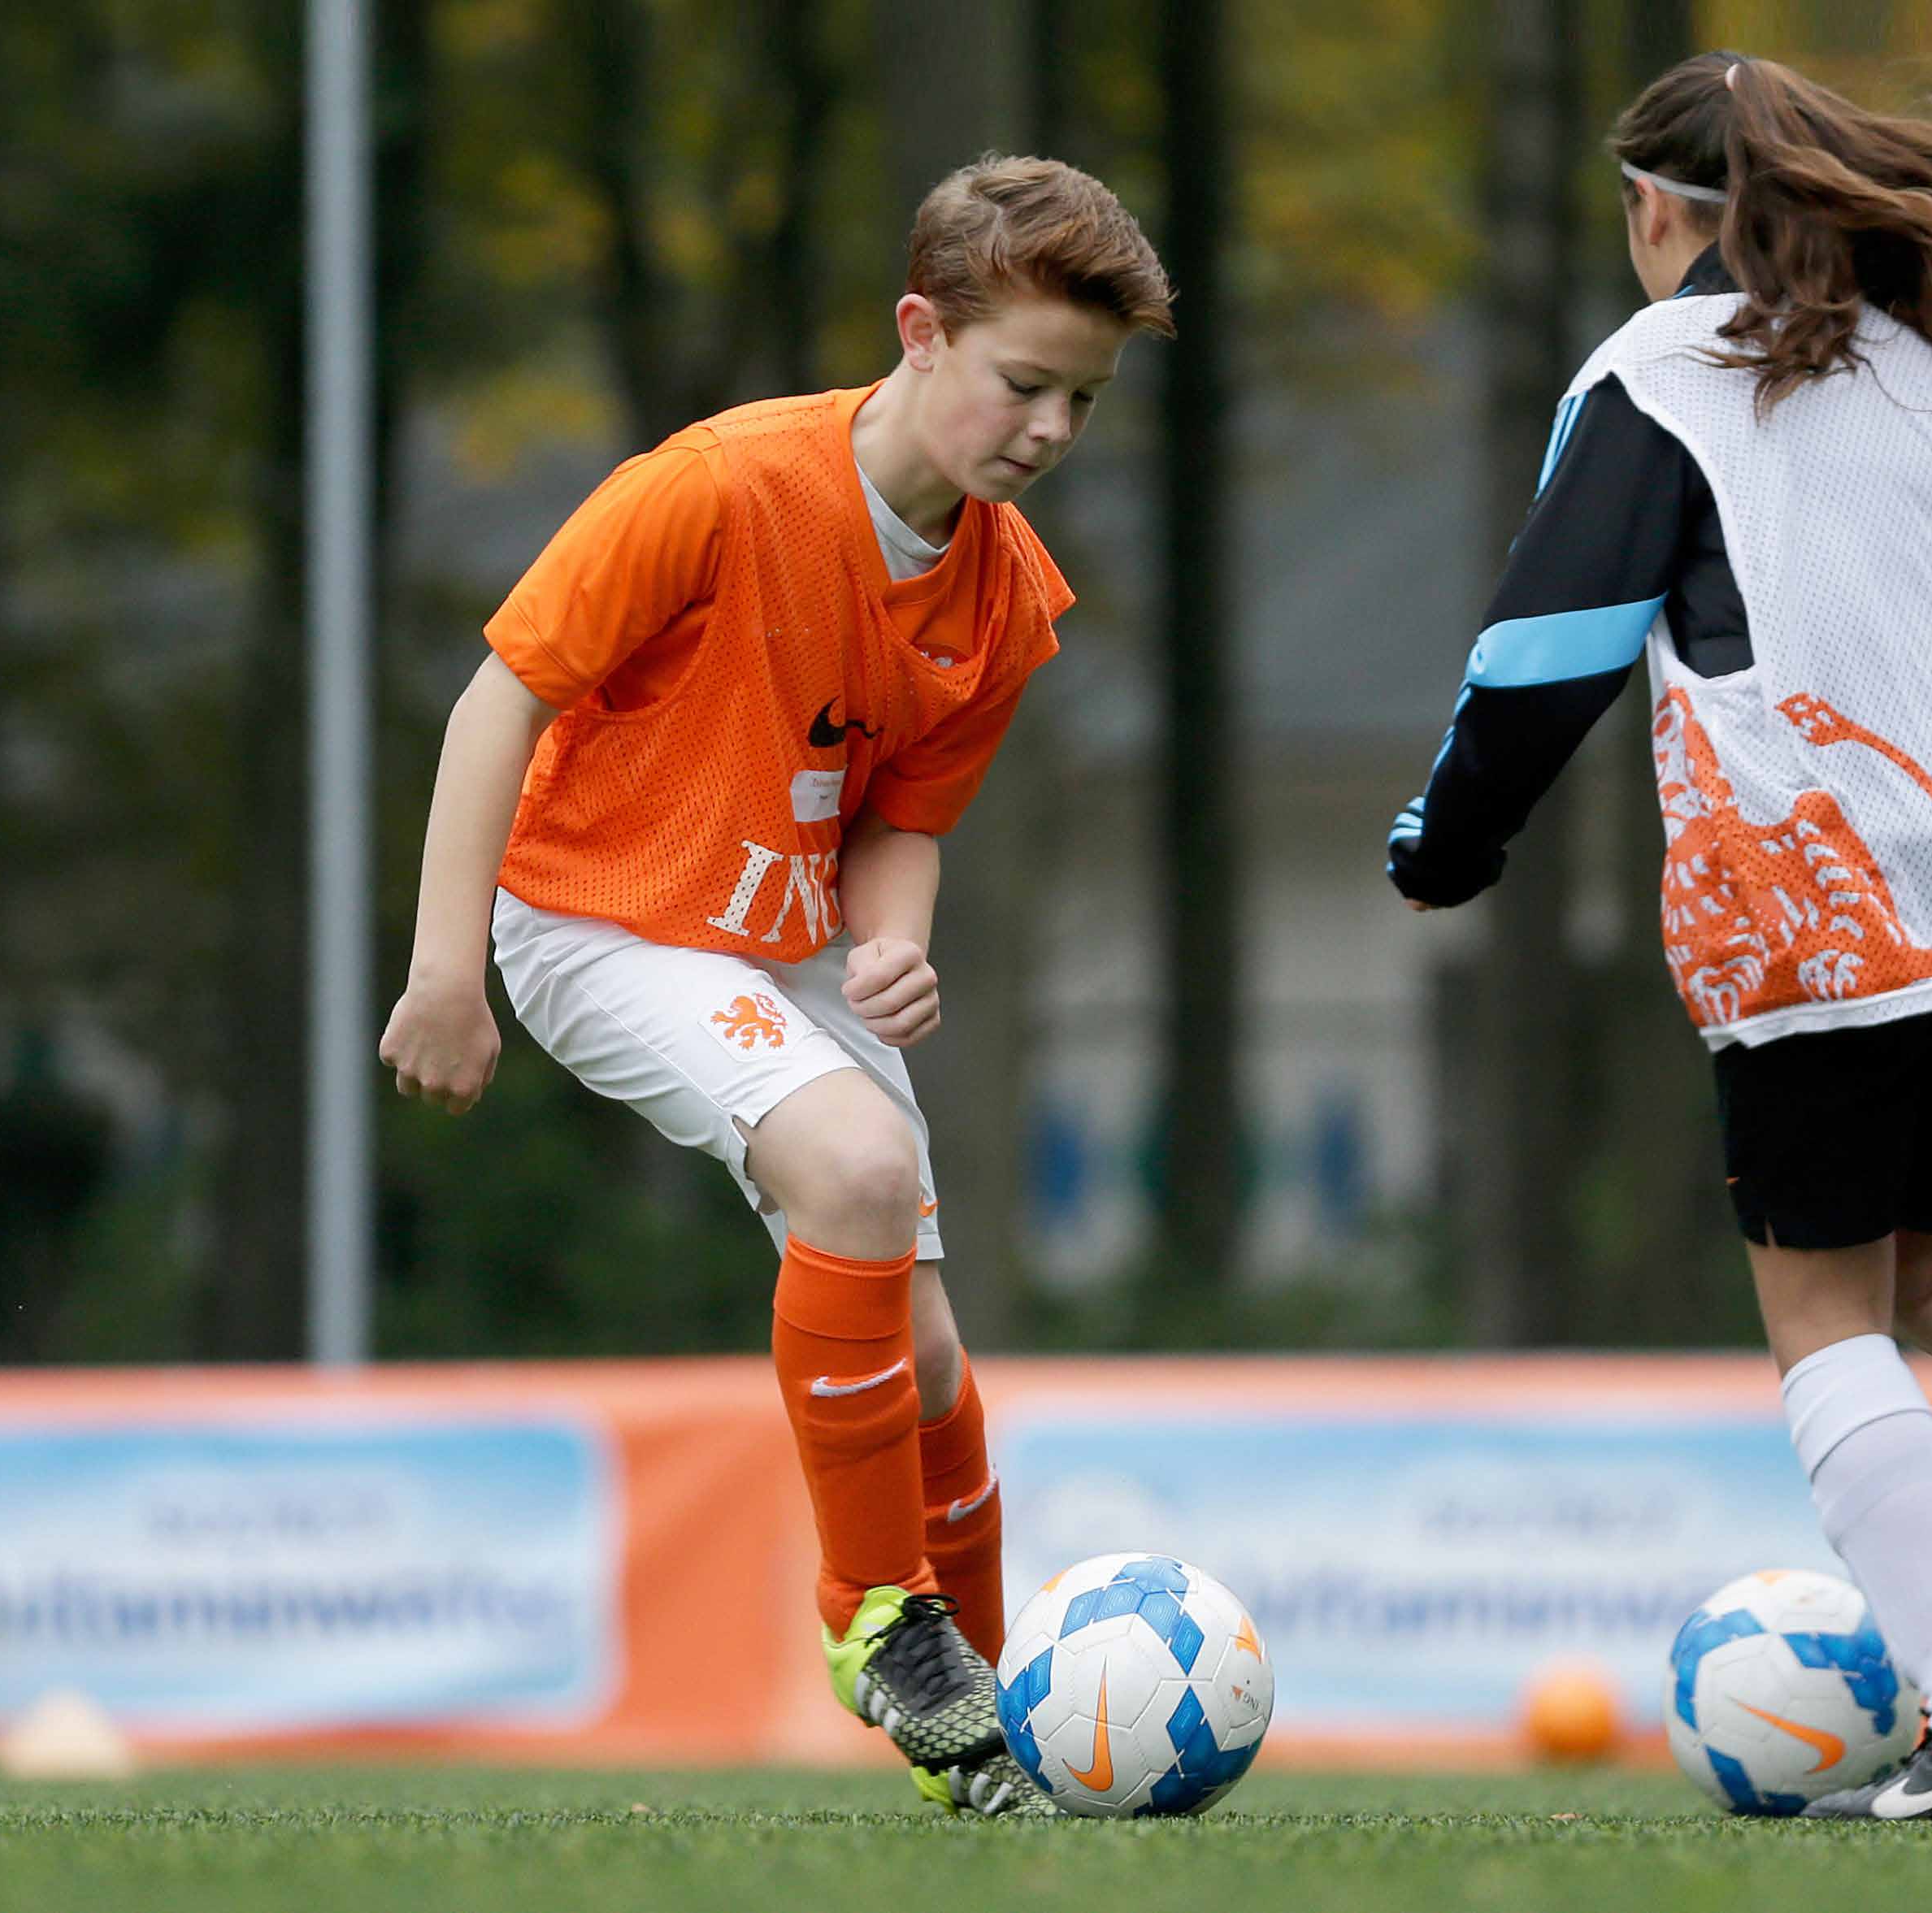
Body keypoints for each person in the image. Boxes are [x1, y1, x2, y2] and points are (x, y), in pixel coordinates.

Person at [1388, 51, 1932, 1824]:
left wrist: (1450, 834)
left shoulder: (1659, 371)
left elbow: (1548, 647)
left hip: (1812, 892)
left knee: (1822, 1320)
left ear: (1657, 213)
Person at [379, 155, 1174, 1816]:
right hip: (596, 913)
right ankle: (875, 1616)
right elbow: (495, 705)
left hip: (782, 946)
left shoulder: (1006, 590)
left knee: (935, 1368)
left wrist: (892, 939)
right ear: (920, 332)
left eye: (1082, 402)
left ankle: (986, 1713)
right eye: (1024, 383)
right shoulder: (720, 485)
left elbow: (900, 813)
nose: (1048, 431)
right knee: (859, 1170)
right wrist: (445, 971)